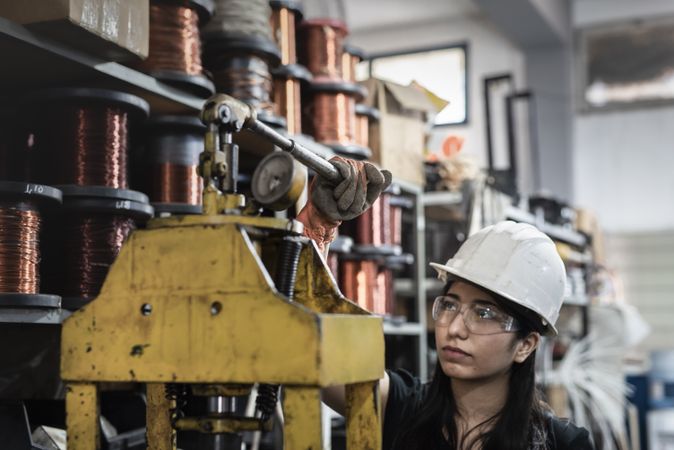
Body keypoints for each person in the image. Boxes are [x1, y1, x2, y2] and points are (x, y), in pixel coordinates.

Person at [296, 157, 594, 450]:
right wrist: (315, 229)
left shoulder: (562, 444)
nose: (454, 328)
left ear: (525, 345)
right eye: (450, 305)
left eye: (484, 313)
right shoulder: (400, 408)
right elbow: (308, 350)